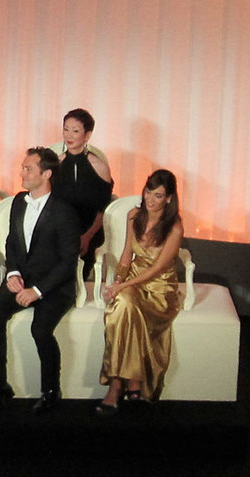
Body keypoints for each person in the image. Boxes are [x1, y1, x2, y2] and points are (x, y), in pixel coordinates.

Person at [0, 147, 80, 415]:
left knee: (40, 330)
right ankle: (0, 387)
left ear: (46, 174)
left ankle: (51, 390)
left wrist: (37, 291)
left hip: (53, 286)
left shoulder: (64, 211)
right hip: (20, 279)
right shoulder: (17, 202)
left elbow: (67, 261)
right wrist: (13, 273)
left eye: (28, 169)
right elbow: (12, 243)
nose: (21, 173)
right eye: (23, 167)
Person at [95, 169, 184, 415]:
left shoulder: (174, 226)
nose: (150, 199)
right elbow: (126, 255)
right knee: (123, 306)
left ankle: (116, 386)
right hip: (133, 280)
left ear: (168, 198)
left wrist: (123, 286)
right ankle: (131, 381)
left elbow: (158, 268)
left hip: (159, 288)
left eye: (158, 195)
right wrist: (118, 282)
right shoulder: (134, 216)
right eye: (148, 192)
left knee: (126, 306)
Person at [52, 108, 113, 279]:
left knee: (73, 276)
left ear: (87, 135)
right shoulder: (56, 164)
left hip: (89, 231)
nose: (69, 135)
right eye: (66, 129)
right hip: (59, 232)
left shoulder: (99, 166)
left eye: (75, 131)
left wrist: (86, 237)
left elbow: (103, 208)